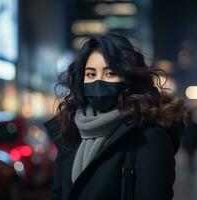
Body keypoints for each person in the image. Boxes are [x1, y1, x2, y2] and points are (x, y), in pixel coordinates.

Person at [44, 32, 186, 200]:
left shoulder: (149, 136)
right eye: (90, 74)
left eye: (109, 73)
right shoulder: (70, 132)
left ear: (129, 77)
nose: (98, 81)